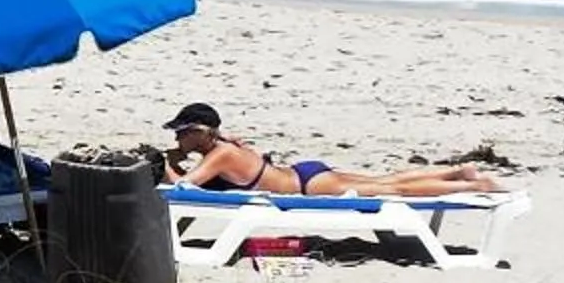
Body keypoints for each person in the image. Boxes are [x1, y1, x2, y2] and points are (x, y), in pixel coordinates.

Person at [162, 102, 504, 197]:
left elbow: (185, 186)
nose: (177, 139)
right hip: (304, 173)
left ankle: (474, 185)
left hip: (309, 186)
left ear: (198, 132)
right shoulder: (223, 146)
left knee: (394, 189)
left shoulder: (221, 154)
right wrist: (178, 156)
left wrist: (164, 166)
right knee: (385, 179)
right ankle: (457, 172)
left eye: (181, 133)